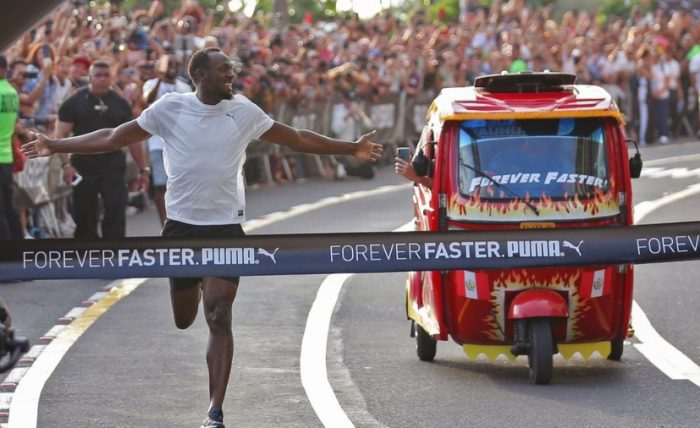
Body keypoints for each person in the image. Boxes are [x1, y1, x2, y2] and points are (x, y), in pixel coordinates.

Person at [22, 47, 382, 428]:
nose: (232, 76)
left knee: (219, 314)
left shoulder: (243, 110)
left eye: (232, 70)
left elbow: (295, 139)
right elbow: (113, 136)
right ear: (199, 75)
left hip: (225, 228)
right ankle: (193, 285)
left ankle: (215, 412)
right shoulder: (169, 109)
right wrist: (56, 145)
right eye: (224, 70)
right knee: (184, 318)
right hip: (180, 228)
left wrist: (351, 148)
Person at [55, 59, 149, 239]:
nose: (102, 79)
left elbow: (133, 139)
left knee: (115, 207)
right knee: (84, 212)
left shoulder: (120, 103)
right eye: (98, 75)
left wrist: (143, 169)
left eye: (106, 75)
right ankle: (86, 254)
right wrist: (66, 165)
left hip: (112, 164)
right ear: (90, 77)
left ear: (111, 77)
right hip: (83, 163)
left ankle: (114, 253)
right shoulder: (74, 102)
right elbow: (60, 137)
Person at [142, 53, 191, 225]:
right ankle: (165, 223)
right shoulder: (151, 84)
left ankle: (181, 220)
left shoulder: (184, 87)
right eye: (168, 63)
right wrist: (159, 79)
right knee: (161, 185)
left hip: (180, 145)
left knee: (179, 186)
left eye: (176, 64)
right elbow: (146, 100)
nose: (172, 67)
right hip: (157, 143)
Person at [0, 55, 23, 241]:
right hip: (6, 157)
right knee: (9, 206)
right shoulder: (12, 92)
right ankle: (17, 247)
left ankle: (6, 254)